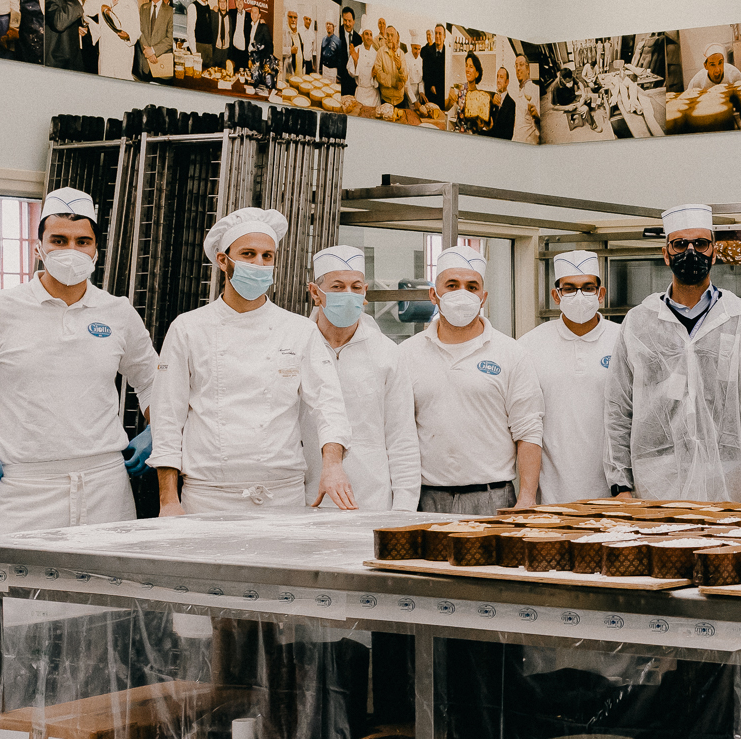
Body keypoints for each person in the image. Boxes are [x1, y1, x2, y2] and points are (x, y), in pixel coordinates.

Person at [0, 189, 155, 534]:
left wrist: (157, 428)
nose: (71, 250)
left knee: (106, 588)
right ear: (38, 248)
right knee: (18, 588)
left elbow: (153, 379)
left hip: (107, 488)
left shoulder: (118, 312)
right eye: (59, 240)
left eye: (83, 241)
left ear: (96, 250)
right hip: (26, 491)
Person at [151, 208, 355, 515]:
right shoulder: (189, 328)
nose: (259, 264)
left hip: (282, 496)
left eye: (267, 256)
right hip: (207, 496)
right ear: (223, 260)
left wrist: (333, 465)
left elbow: (328, 404)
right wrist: (168, 500)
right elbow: (168, 416)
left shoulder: (298, 329)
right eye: (248, 254)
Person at [606, 204, 741, 503]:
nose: (690, 252)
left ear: (714, 251)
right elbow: (618, 406)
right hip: (657, 477)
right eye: (680, 244)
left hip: (726, 475)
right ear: (665, 253)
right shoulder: (639, 321)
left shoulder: (739, 316)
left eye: (700, 243)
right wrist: (620, 485)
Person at [401, 244, 544, 515]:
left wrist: (527, 497)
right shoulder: (406, 355)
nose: (462, 294)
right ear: (434, 294)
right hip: (425, 498)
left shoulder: (511, 353)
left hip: (493, 497)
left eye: (472, 286)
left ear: (483, 297)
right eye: (452, 285)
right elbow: (399, 433)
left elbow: (528, 430)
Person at [300, 245, 420, 513]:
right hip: (306, 498)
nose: (348, 294)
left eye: (356, 287)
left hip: (372, 500)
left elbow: (401, 437)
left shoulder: (386, 353)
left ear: (365, 293)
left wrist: (403, 507)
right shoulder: (295, 347)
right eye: (338, 287)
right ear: (315, 293)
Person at [517, 249, 620, 503]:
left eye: (587, 287)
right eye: (569, 288)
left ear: (601, 293)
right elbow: (524, 423)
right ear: (556, 295)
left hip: (614, 490)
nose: (579, 295)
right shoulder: (530, 345)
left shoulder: (623, 339)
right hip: (551, 494)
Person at [83, 0, 138, 80]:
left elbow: (136, 31)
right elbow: (85, 9)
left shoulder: (130, 3)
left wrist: (128, 36)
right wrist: (94, 28)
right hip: (106, 51)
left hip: (122, 54)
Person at [138, 0, 173, 79]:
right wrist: (147, 52)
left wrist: (153, 51)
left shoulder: (170, 12)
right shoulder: (143, 9)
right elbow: (140, 31)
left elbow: (170, 38)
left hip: (162, 64)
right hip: (145, 65)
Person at [323, 6, 358, 95]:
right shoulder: (338, 33)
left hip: (353, 80)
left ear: (354, 21)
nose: (347, 23)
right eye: (345, 20)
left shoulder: (358, 38)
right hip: (339, 78)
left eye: (349, 21)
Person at [190, 0, 218, 67]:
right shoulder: (193, 6)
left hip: (209, 47)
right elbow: (190, 31)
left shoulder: (207, 6)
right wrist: (194, 52)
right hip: (199, 47)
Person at [487, 65, 516, 138]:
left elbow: (509, 133)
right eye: (497, 76)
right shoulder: (492, 100)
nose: (498, 80)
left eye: (501, 77)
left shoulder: (511, 103)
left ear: (507, 82)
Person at [421, 23, 446, 104]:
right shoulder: (428, 51)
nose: (437, 36)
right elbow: (425, 71)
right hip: (430, 93)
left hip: (443, 93)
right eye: (436, 33)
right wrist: (431, 84)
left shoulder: (447, 52)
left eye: (440, 33)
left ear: (444, 36)